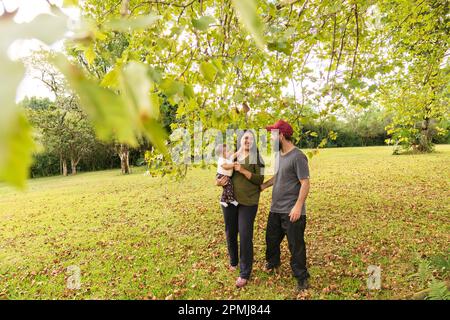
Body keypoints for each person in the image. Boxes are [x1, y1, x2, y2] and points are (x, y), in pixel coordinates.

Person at [261, 120, 311, 291]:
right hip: (275, 208)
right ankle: (273, 263)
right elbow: (278, 176)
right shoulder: (278, 155)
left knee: (295, 246)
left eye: (273, 135)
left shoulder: (298, 156)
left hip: (291, 210)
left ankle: (301, 277)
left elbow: (305, 183)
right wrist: (264, 186)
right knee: (271, 240)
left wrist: (298, 206)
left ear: (281, 135)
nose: (270, 138)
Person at [216, 130, 264, 288]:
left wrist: (243, 170)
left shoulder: (257, 158)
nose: (247, 140)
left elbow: (260, 179)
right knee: (230, 232)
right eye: (245, 137)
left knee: (244, 235)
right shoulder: (233, 156)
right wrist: (218, 182)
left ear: (254, 142)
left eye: (251, 138)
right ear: (241, 140)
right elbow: (221, 171)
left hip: (248, 202)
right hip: (230, 201)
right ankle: (234, 261)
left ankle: (245, 273)